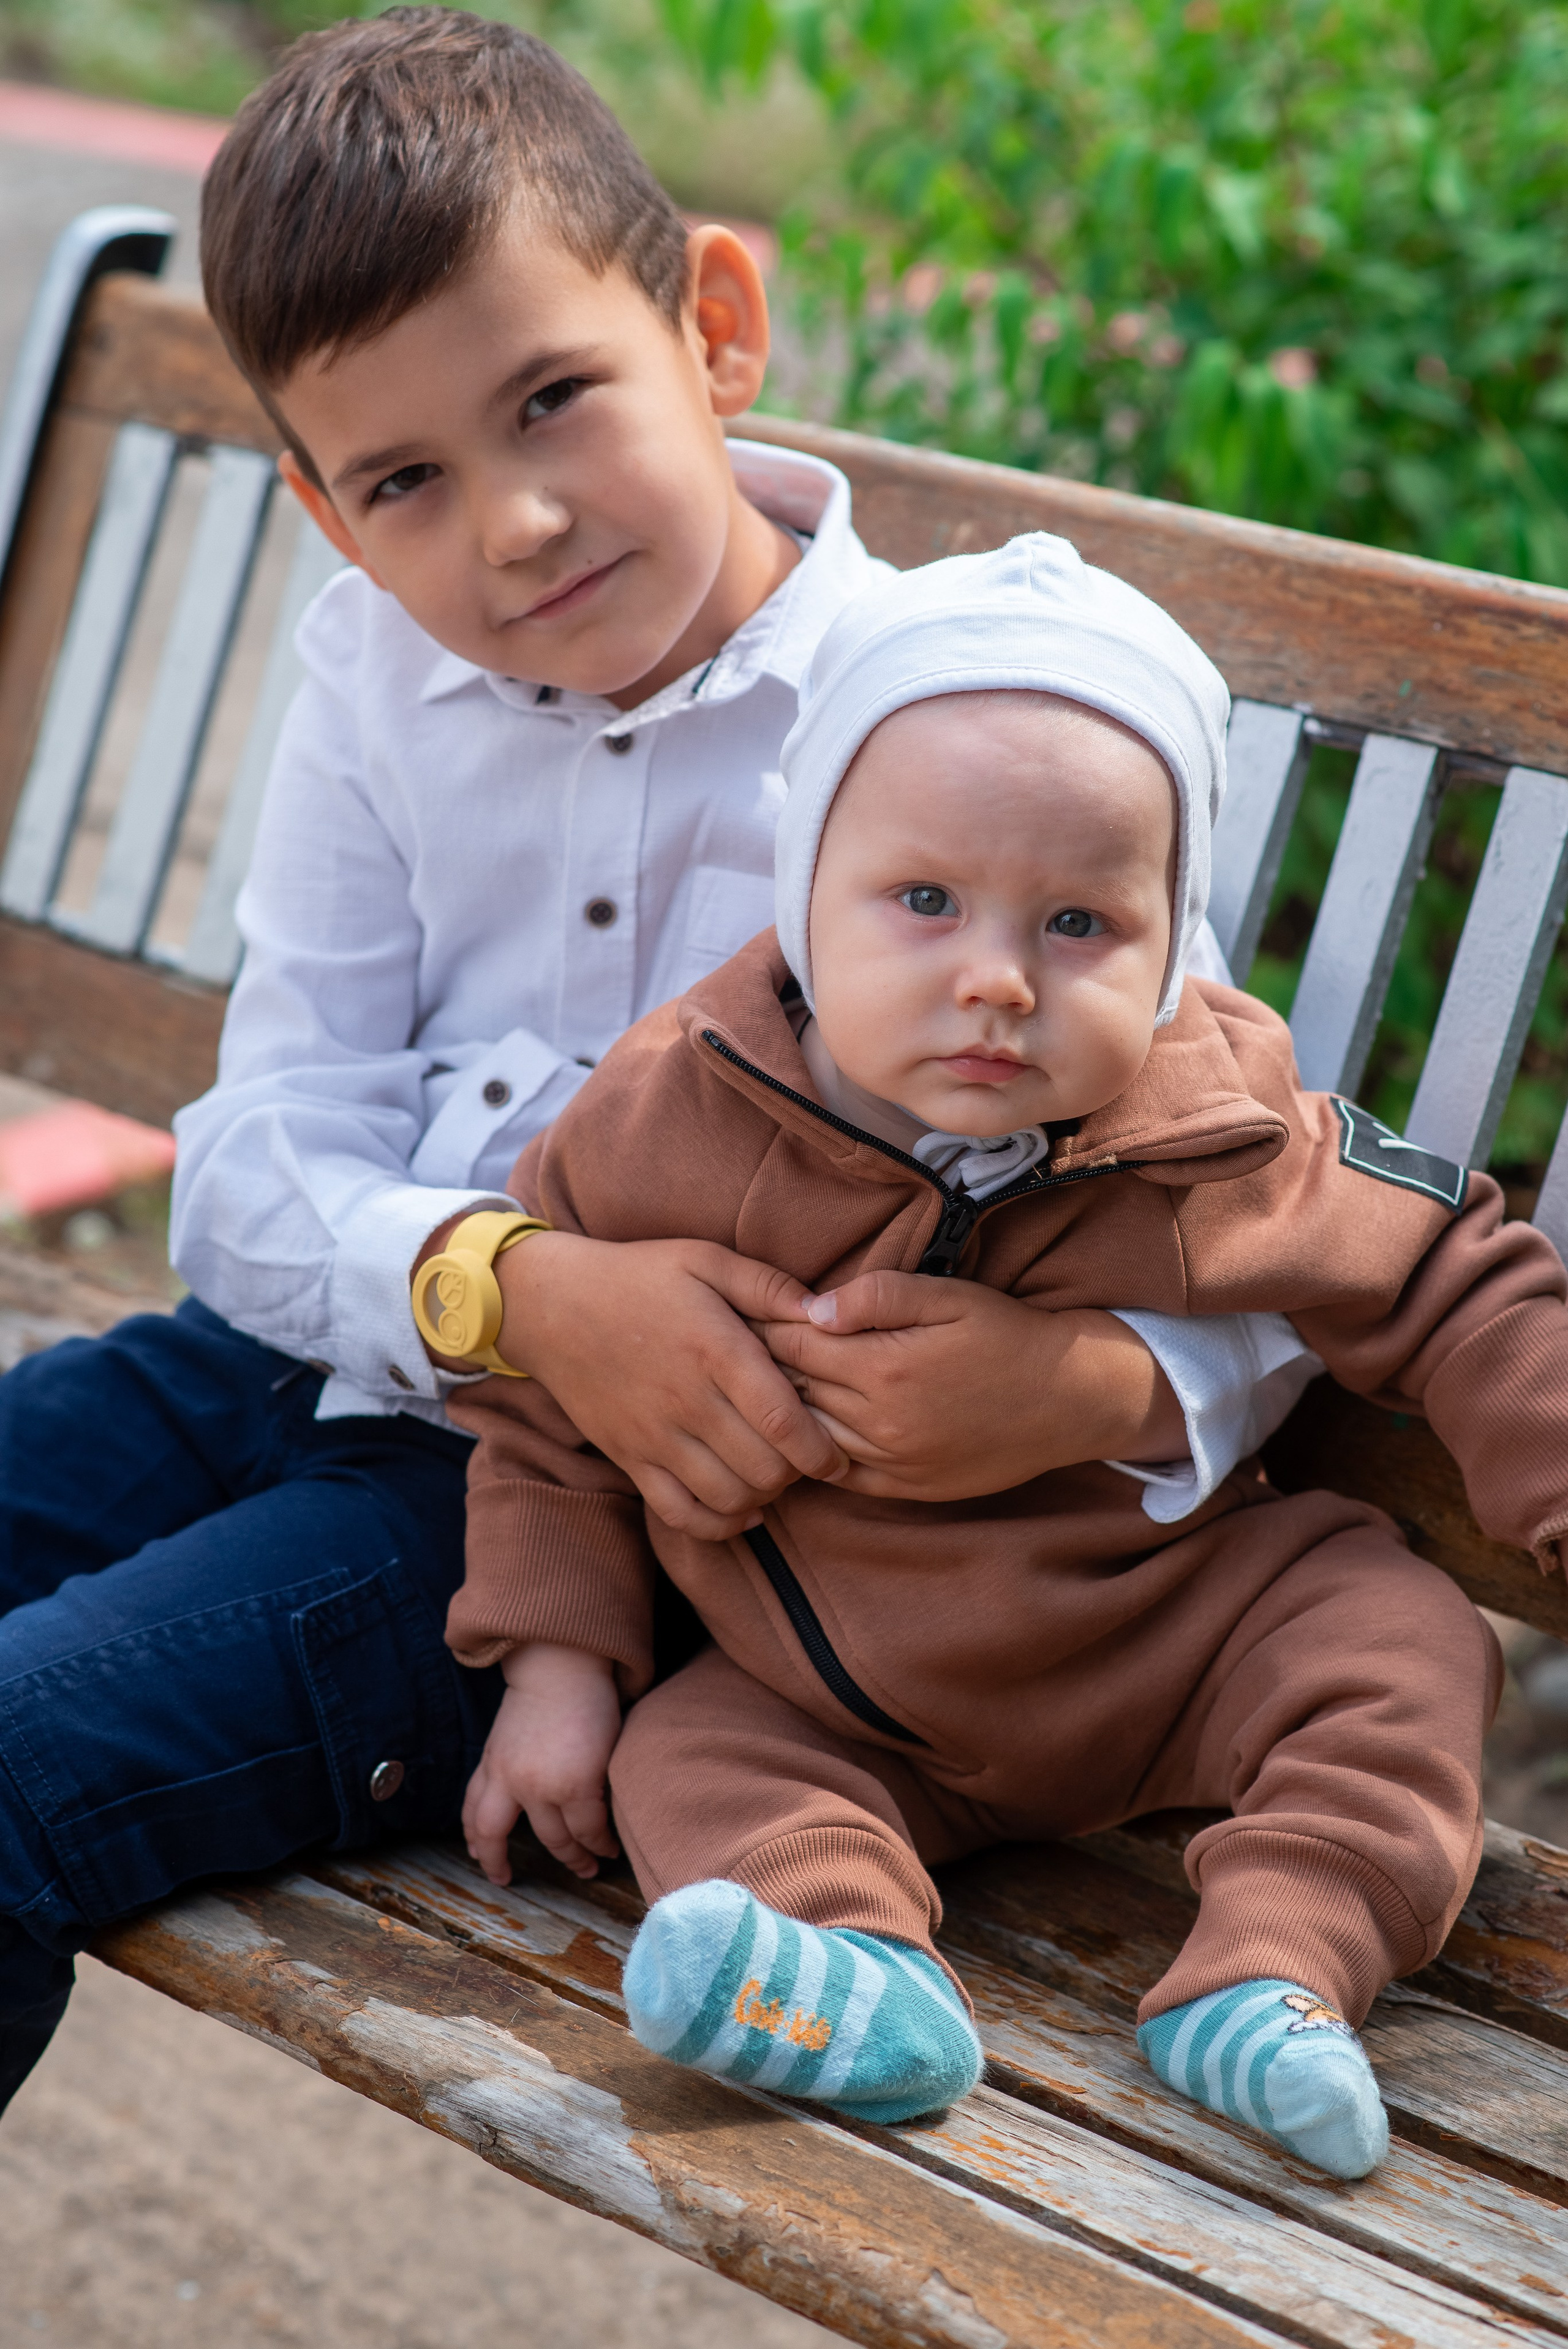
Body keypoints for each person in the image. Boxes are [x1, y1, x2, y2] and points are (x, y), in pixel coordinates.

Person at [0, 11, 1311, 2114]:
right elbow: (256, 1161)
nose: (511, 527)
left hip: (586, 1539)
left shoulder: (959, 721)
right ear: (334, 520)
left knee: (15, 1756)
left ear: (714, 325)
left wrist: (1074, 1386)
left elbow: (1258, 1200)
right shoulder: (377, 670)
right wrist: (509, 1289)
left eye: (553, 403)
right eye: (410, 479)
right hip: (327, 1346)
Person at [442, 534, 1552, 2182]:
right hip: (829, 1687)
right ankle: (860, 1979)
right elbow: (543, 1403)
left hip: (1176, 1628)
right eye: (925, 900)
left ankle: (1276, 1965)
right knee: (699, 1755)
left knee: (1396, 1638)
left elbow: (1457, 1264)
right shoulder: (673, 1115)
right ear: (805, 884)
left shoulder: (1216, 1129)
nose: (994, 977)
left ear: (1177, 939)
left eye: (1081, 921)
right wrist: (558, 1663)